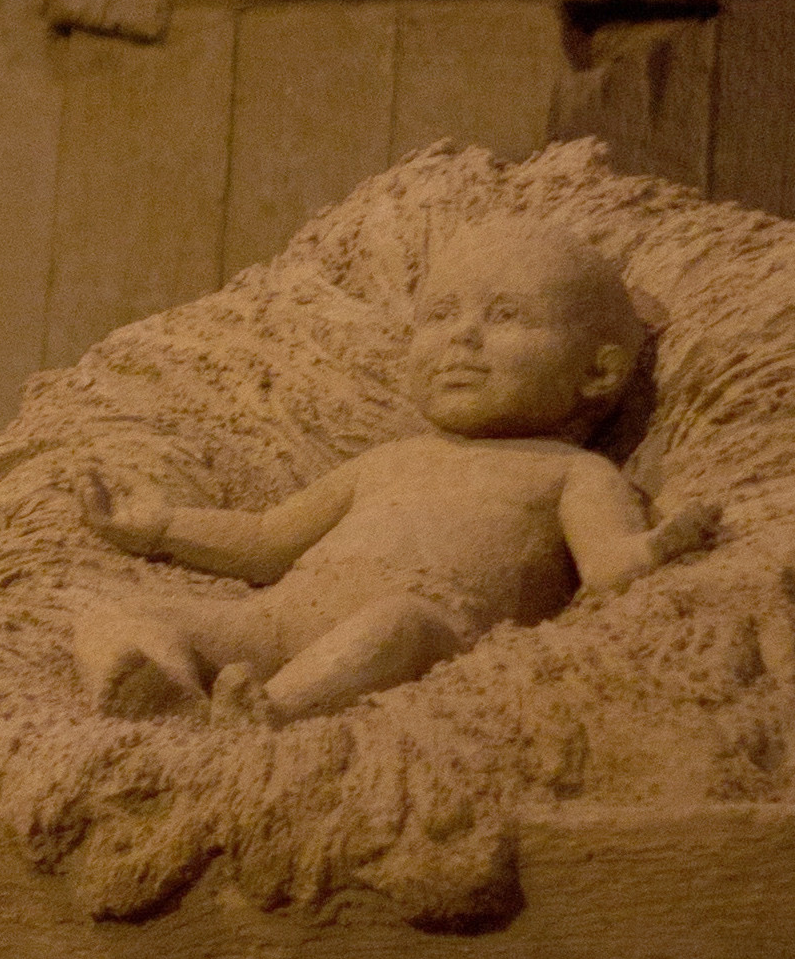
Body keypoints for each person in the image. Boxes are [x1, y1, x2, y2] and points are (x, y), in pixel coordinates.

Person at [71, 221, 707, 724]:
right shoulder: (391, 459)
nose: (462, 337)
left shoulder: (573, 474)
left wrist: (655, 547)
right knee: (114, 614)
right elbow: (267, 541)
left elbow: (607, 566)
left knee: (396, 624)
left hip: (429, 633)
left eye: (505, 316)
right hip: (281, 618)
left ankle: (277, 712)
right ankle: (167, 701)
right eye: (441, 314)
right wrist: (162, 526)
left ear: (599, 371)